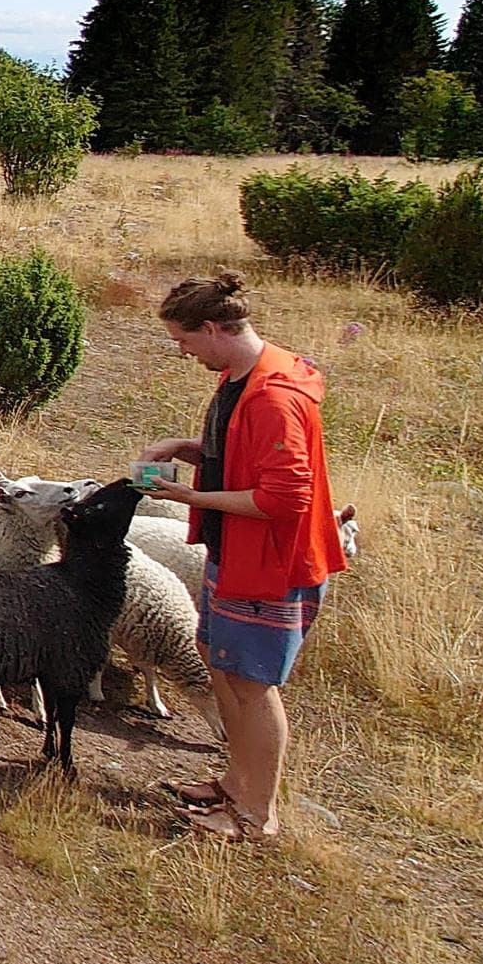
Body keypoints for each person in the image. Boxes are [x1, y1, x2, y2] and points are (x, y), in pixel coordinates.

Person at [136, 271, 347, 843]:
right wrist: (190, 451)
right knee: (218, 657)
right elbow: (243, 456)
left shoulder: (275, 397)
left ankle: (256, 813)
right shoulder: (242, 377)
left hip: (272, 563)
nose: (183, 352)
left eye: (185, 341)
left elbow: (284, 498)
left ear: (212, 328)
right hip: (237, 553)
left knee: (253, 682)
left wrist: (188, 496)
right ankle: (236, 780)